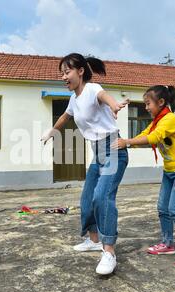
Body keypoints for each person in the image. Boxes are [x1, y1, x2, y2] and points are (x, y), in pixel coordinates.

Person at [42, 53, 129, 275]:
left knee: (102, 197)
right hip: (97, 153)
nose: (63, 77)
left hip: (112, 150)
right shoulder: (74, 98)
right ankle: (94, 240)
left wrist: (115, 105)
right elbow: (65, 117)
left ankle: (109, 251)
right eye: (61, 73)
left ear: (80, 71)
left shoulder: (92, 89)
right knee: (87, 198)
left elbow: (104, 96)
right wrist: (51, 132)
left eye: (67, 72)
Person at [113, 85, 175, 266]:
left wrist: (127, 142)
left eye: (148, 104)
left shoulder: (169, 119)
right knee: (162, 208)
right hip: (170, 171)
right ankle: (167, 243)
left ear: (161, 102)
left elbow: (154, 138)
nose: (146, 107)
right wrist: (126, 143)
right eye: (145, 104)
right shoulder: (156, 121)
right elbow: (145, 135)